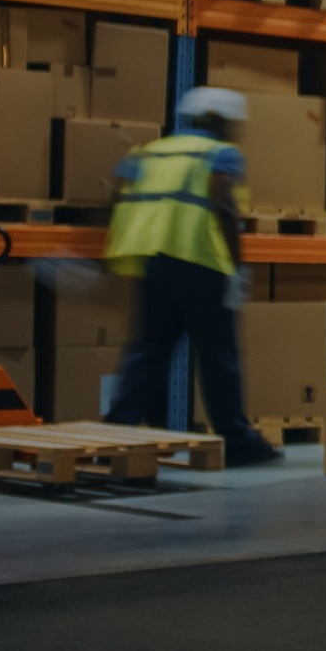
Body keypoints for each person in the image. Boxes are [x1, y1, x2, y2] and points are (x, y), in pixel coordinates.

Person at [100, 86, 282, 467]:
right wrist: (237, 268)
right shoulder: (221, 155)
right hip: (201, 263)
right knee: (218, 353)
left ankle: (115, 432)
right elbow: (222, 204)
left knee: (148, 349)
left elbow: (117, 191)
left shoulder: (151, 150)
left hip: (154, 262)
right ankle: (236, 441)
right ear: (221, 122)